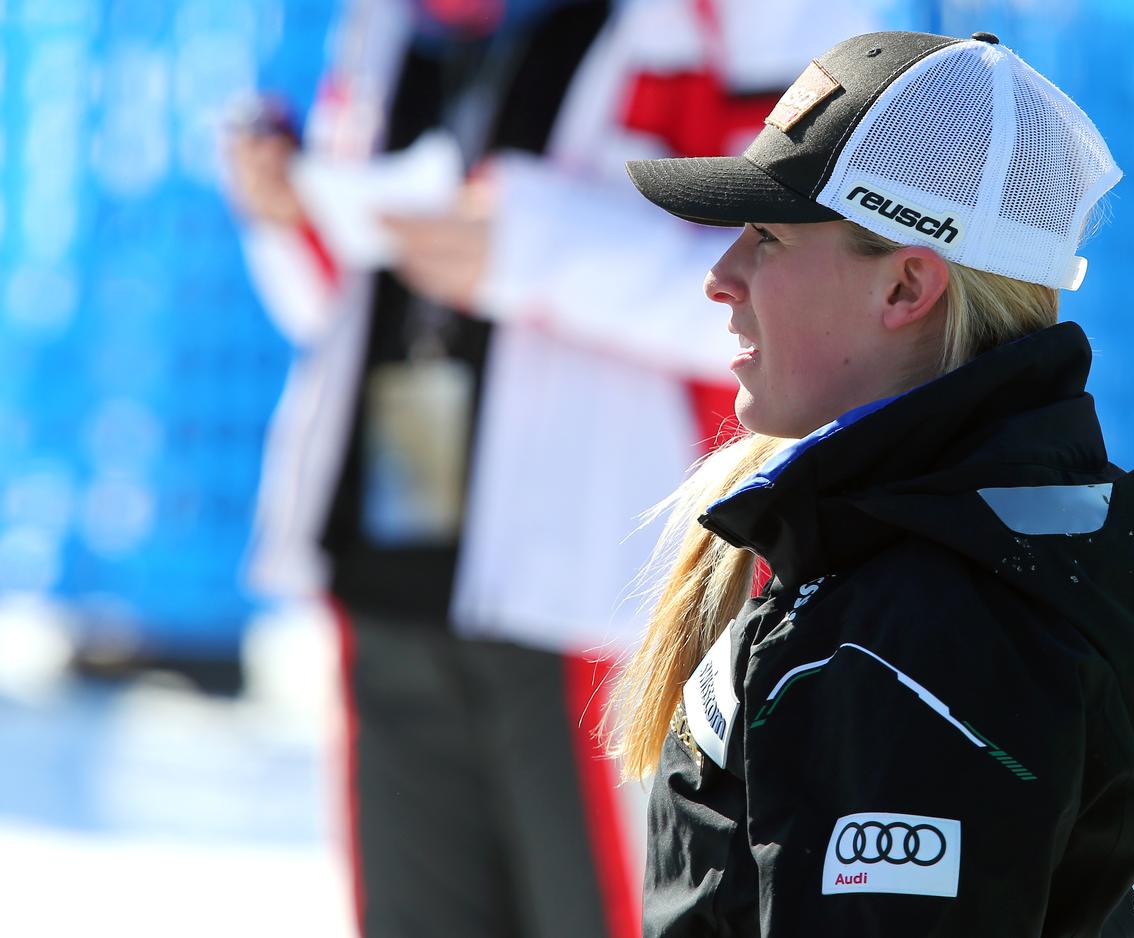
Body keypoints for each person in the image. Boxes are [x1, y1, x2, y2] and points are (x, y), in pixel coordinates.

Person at [228, 2, 878, 936]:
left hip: (601, 590)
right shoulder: (388, 18)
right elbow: (335, 299)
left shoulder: (764, 15)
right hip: (390, 559)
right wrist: (290, 213)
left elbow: (820, 304)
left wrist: (536, 246)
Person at [610, 29, 1134, 937]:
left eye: (767, 237)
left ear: (908, 287)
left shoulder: (915, 629)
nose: (721, 278)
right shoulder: (992, 548)